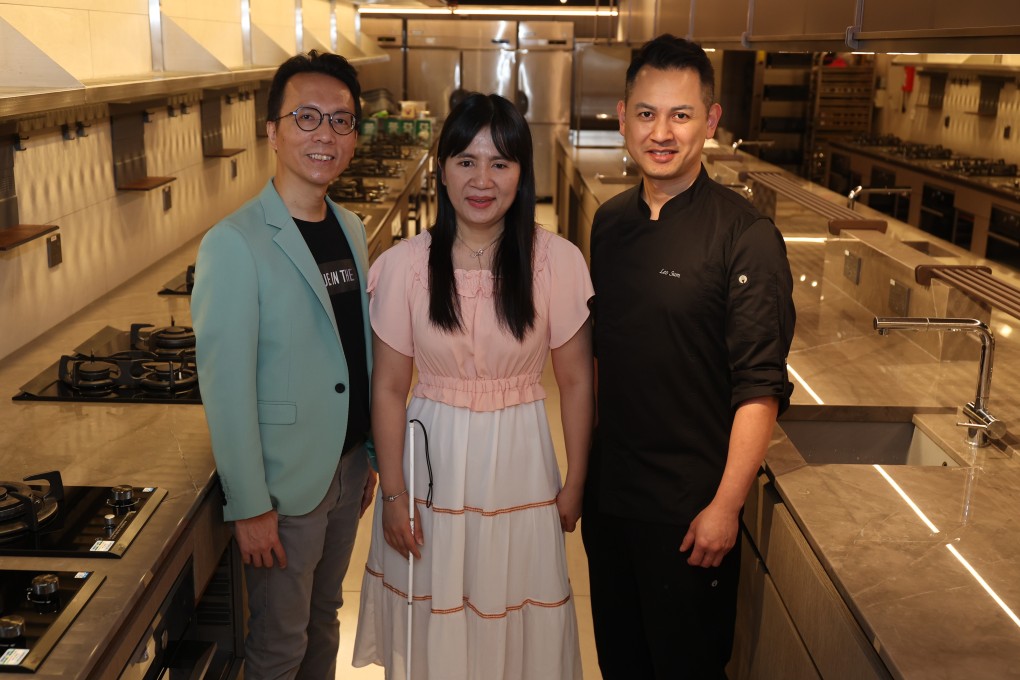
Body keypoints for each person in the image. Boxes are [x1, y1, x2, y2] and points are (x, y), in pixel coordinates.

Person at [352, 93, 593, 680]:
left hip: (519, 464)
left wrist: (576, 482)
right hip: (430, 468)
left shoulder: (556, 262)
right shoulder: (407, 264)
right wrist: (393, 493)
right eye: (466, 161)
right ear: (443, 168)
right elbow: (387, 388)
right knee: (436, 623)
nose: (482, 180)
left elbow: (577, 378)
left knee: (511, 618)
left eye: (500, 163)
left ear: (521, 172)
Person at [582, 34, 796, 679]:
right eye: (646, 113)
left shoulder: (747, 237)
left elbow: (759, 387)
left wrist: (725, 507)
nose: (662, 132)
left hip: (690, 516)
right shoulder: (610, 223)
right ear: (623, 117)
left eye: (681, 114)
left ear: (711, 120)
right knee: (622, 664)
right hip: (612, 501)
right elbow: (604, 355)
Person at [192, 50, 377, 680]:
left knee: (325, 617)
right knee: (278, 645)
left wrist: (370, 451)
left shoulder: (351, 227)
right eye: (306, 117)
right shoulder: (234, 242)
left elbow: (356, 349)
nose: (325, 134)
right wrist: (249, 505)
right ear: (272, 131)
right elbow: (226, 384)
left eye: (341, 121)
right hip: (282, 486)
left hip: (347, 468)